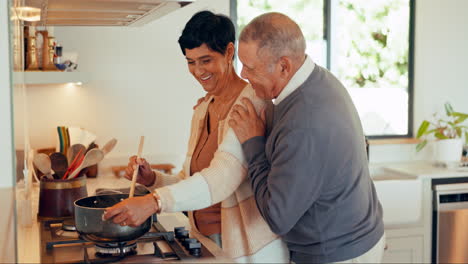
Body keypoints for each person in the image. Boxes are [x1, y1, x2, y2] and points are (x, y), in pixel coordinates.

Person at [102, 10, 289, 263]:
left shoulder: (251, 104)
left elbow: (222, 177)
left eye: (206, 60)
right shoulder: (203, 109)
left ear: (229, 52)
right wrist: (153, 179)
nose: (198, 71)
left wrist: (153, 202)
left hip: (246, 248)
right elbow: (189, 180)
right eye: (191, 62)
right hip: (205, 241)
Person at [228, 12, 385, 263]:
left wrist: (252, 143)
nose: (243, 75)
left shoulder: (305, 123)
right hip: (357, 238)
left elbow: (277, 217)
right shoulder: (316, 79)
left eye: (250, 67)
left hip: (338, 254)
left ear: (284, 66)